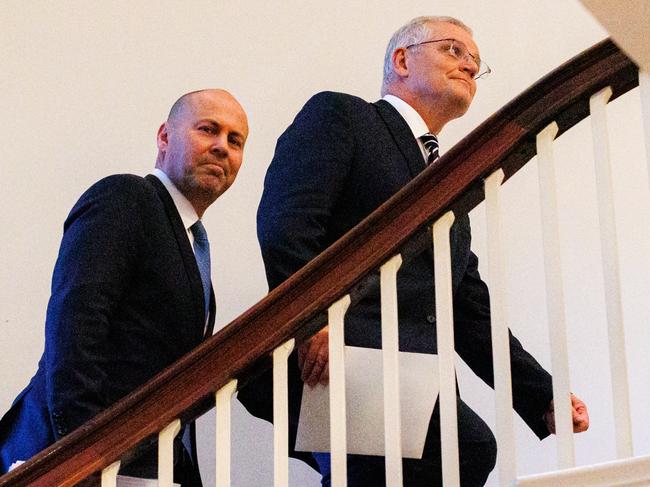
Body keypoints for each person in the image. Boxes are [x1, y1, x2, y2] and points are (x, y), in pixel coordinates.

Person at [238, 16, 588, 486]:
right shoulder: (342, 117)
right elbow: (286, 225)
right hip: (341, 357)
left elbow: (467, 307)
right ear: (401, 60)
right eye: (452, 50)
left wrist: (540, 394)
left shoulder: (446, 181)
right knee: (466, 450)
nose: (468, 66)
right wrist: (311, 320)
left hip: (412, 378)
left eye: (476, 64)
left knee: (439, 459)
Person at [0, 89, 249, 486]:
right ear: (164, 136)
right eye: (208, 130)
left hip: (145, 463)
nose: (222, 147)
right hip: (80, 459)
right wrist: (83, 453)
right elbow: (76, 322)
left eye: (235, 141)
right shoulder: (127, 197)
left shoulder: (193, 243)